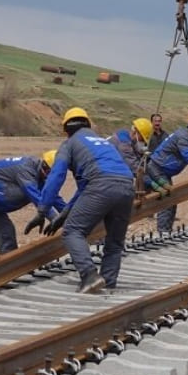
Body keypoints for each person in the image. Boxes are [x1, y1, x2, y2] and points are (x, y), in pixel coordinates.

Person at [25, 107, 135, 293]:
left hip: (101, 186)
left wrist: (42, 210)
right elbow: (86, 187)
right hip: (126, 185)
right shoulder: (102, 141)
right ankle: (107, 283)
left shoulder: (69, 144)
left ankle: (89, 275)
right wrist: (65, 213)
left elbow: (56, 177)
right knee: (115, 242)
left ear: (65, 130)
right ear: (88, 124)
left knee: (72, 231)